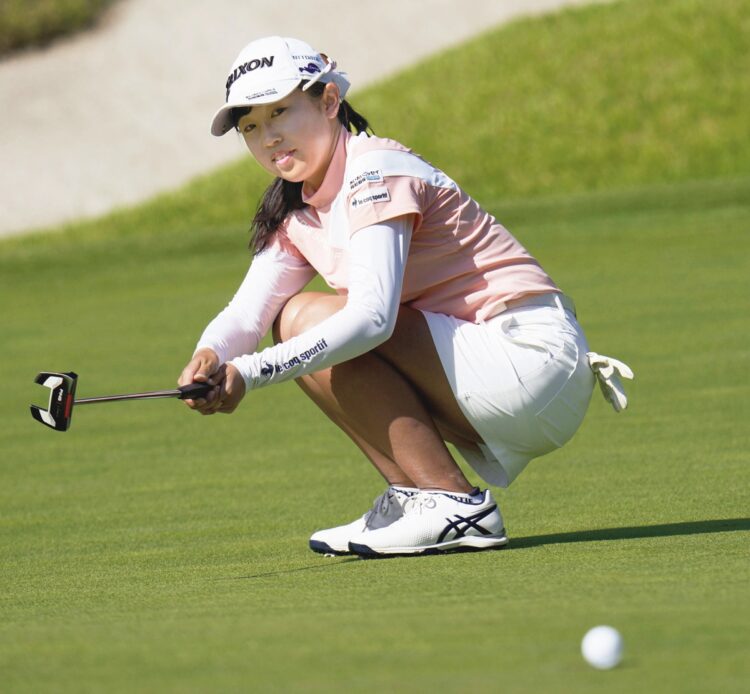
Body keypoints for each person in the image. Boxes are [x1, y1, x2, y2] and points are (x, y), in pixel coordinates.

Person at [178, 36, 633, 558]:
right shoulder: (298, 208)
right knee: (293, 319)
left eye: (281, 111)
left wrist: (251, 373)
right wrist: (211, 355)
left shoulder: (374, 169)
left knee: (304, 318)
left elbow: (373, 319)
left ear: (329, 102)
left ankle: (451, 502)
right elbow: (246, 312)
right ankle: (424, 499)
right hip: (493, 373)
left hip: (529, 357)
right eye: (250, 127)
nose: (268, 136)